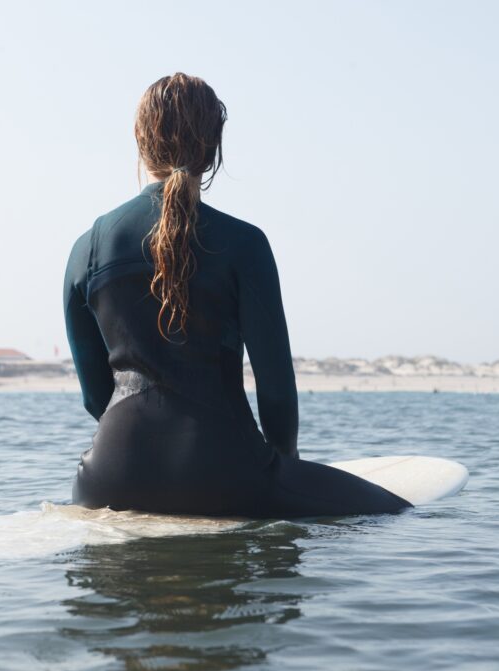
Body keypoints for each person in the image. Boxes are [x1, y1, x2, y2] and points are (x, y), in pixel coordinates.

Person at [64, 73, 410, 517]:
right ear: (213, 146)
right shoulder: (245, 244)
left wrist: (147, 464)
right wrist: (284, 467)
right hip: (225, 477)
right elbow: (277, 391)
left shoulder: (87, 247)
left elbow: (96, 396)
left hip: (105, 482)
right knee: (398, 512)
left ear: (139, 140)